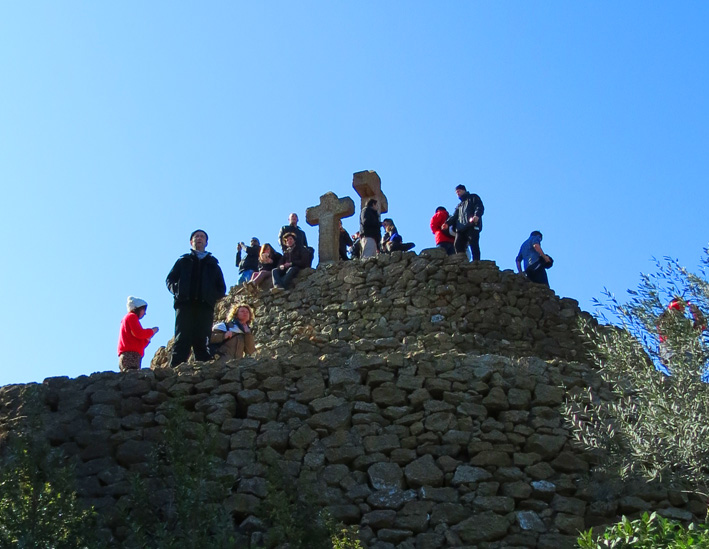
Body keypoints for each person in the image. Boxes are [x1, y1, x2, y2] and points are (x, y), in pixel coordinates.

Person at [166, 229, 226, 367]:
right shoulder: (183, 261)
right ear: (191, 241)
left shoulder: (213, 264)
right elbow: (170, 280)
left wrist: (210, 297)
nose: (199, 238)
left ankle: (203, 369)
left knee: (202, 337)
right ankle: (175, 369)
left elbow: (221, 288)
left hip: (204, 306)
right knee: (182, 337)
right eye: (196, 236)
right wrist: (178, 291)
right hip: (185, 304)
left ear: (206, 242)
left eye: (202, 237)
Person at [443, 184, 484, 261]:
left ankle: (476, 261)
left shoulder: (473, 197)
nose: (457, 193)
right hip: (461, 228)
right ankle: (461, 261)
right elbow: (455, 216)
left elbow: (479, 206)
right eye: (456, 192)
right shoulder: (459, 205)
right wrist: (447, 223)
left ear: (463, 190)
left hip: (471, 225)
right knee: (457, 244)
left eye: (458, 191)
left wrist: (476, 216)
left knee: (473, 243)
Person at [117, 296, 159, 372]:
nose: (145, 313)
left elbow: (138, 340)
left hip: (129, 355)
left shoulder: (128, 318)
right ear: (138, 308)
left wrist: (147, 339)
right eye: (143, 310)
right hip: (130, 355)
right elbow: (139, 333)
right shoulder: (131, 317)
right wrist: (151, 331)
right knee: (132, 378)